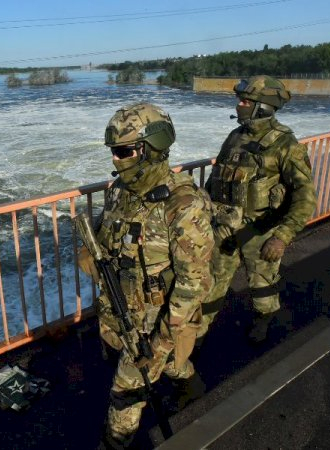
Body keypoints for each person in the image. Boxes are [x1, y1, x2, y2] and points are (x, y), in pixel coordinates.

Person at [79, 103, 214, 448]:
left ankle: (113, 444)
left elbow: (193, 282)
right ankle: (189, 383)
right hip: (122, 307)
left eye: (123, 151)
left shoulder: (182, 205)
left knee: (125, 394)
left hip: (156, 324)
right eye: (114, 151)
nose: (115, 160)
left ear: (150, 148)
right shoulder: (121, 191)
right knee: (168, 366)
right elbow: (107, 235)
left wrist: (160, 343)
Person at [202, 75, 317, 343]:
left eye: (245, 101)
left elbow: (305, 196)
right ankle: (198, 334)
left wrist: (282, 236)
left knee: (262, 284)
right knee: (212, 283)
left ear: (263, 107)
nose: (239, 106)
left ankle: (264, 319)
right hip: (225, 228)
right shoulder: (235, 136)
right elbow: (216, 178)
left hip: (261, 231)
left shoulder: (285, 144)